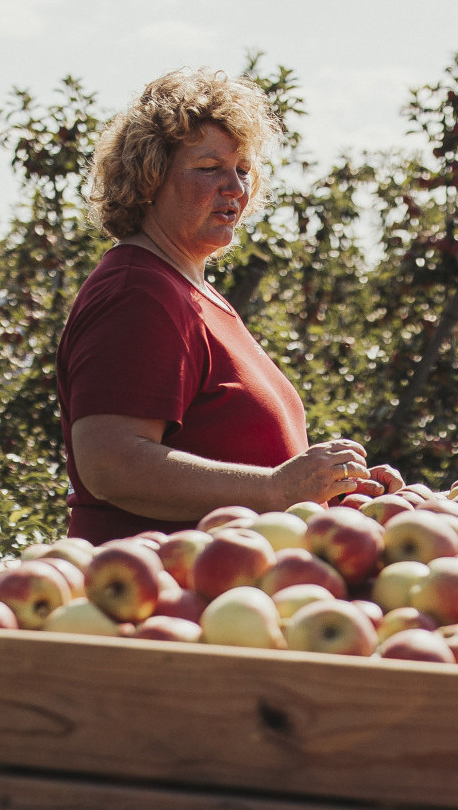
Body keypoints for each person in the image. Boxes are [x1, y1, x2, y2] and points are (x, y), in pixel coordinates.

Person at [56, 68, 368, 543]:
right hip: (156, 590)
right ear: (148, 180)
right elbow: (110, 464)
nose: (236, 188)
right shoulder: (137, 292)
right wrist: (275, 488)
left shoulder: (190, 290)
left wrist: (330, 489)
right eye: (209, 168)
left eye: (243, 170)